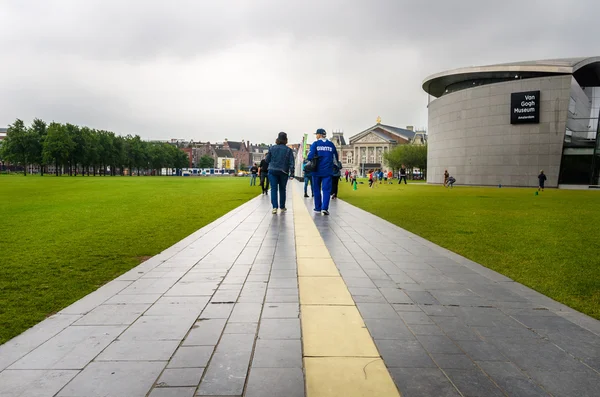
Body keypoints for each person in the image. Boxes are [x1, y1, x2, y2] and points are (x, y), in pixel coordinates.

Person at [307, 128, 338, 216]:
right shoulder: (331, 145)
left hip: (316, 171)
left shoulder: (315, 144)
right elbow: (336, 158)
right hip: (327, 171)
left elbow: (310, 156)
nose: (316, 136)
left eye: (316, 134)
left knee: (316, 189)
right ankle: (324, 208)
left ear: (319, 135)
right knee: (326, 190)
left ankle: (317, 208)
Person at [266, 132, 295, 214]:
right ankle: (282, 207)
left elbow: (267, 160)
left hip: (272, 171)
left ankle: (274, 207)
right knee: (282, 189)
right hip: (283, 171)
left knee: (273, 189)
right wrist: (292, 173)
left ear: (277, 139)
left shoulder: (271, 148)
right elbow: (291, 162)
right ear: (286, 140)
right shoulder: (289, 150)